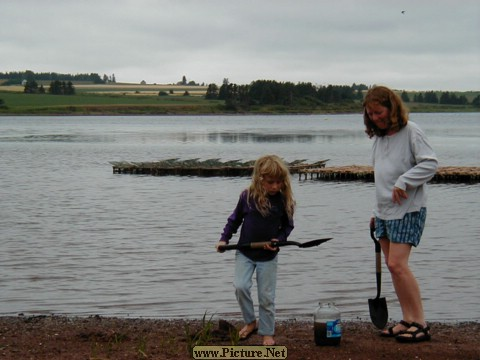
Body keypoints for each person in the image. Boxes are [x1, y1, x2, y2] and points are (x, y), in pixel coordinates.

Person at [363, 86, 438, 343]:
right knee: (392, 267)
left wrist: (404, 181)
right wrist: (376, 211)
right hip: (384, 211)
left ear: (391, 108)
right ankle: (407, 319)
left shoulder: (411, 131)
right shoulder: (379, 139)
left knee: (397, 264)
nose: (375, 118)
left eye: (379, 112)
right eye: (370, 113)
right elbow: (381, 178)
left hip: (408, 209)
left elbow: (430, 163)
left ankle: (420, 323)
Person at [216, 155, 295, 346]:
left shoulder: (284, 201)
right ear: (260, 179)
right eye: (271, 182)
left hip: (268, 256)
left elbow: (287, 227)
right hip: (245, 252)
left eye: (279, 182)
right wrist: (224, 239)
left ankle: (267, 332)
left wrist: (279, 240)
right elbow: (234, 220)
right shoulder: (248, 196)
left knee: (266, 297)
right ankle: (251, 322)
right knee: (240, 286)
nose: (275, 186)